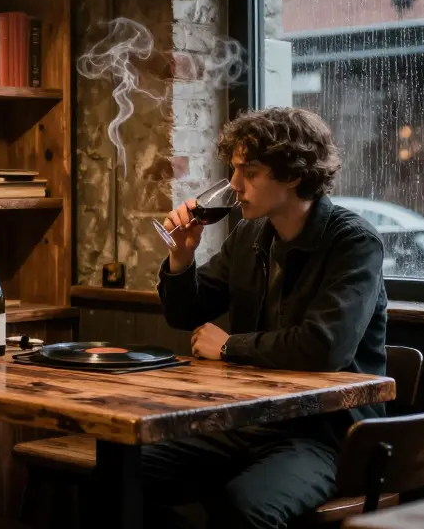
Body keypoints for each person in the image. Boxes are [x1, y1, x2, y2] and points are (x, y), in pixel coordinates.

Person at [149, 107, 387, 528]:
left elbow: (325, 347)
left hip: (326, 434)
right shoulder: (249, 235)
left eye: (250, 172)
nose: (234, 185)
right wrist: (181, 258)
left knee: (244, 507)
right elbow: (186, 314)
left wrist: (228, 346)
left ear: (293, 175)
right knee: (127, 471)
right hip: (252, 421)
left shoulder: (353, 242)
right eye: (234, 170)